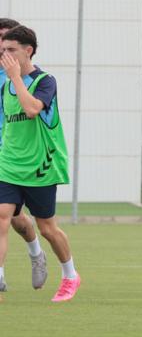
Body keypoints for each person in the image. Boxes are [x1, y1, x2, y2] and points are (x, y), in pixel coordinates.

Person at [0, 26, 78, 301]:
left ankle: (70, 274)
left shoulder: (45, 81)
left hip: (40, 167)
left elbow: (32, 110)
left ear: (28, 50)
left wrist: (15, 79)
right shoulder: (6, 86)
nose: (4, 56)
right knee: (1, 217)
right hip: (9, 165)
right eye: (2, 51)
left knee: (47, 228)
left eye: (10, 50)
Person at [0, 17, 47, 291]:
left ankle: (36, 253)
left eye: (7, 42)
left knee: (17, 220)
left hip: (14, 153)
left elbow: (33, 110)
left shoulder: (29, 77)